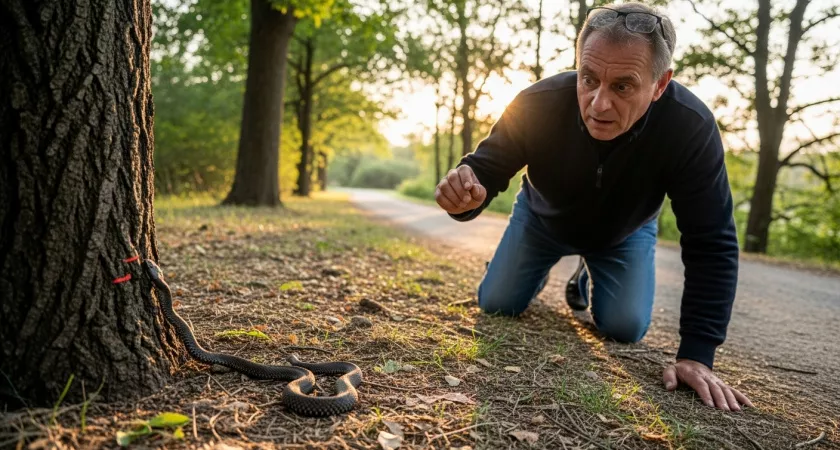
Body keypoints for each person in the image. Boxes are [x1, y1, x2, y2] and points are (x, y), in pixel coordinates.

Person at [435, 2, 753, 412]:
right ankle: (519, 263)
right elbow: (484, 170)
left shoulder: (689, 127)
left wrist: (698, 351)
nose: (598, 104)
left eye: (623, 86)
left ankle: (588, 271)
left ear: (660, 84)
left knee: (625, 328)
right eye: (589, 79)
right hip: (541, 219)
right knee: (496, 303)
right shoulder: (539, 102)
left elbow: (711, 240)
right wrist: (463, 196)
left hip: (625, 232)